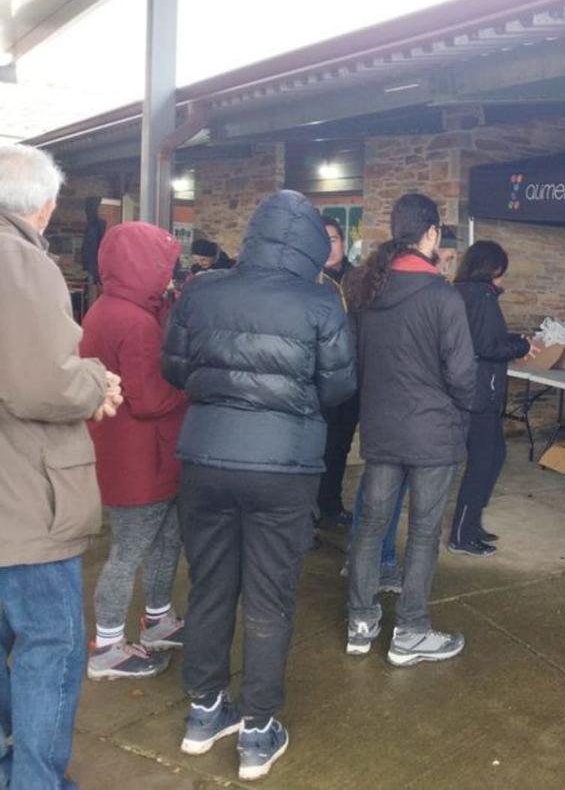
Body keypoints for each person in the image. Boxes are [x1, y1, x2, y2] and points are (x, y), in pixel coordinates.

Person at [163, 190, 356, 780]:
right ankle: (258, 730)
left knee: (211, 587)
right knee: (270, 599)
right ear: (311, 247)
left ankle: (204, 712)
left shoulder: (202, 291)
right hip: (283, 468)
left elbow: (173, 367)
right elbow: (339, 388)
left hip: (205, 459)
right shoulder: (322, 305)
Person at [0, 144, 122, 790]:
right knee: (50, 645)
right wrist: (97, 381)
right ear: (43, 204)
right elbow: (41, 382)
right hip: (23, 497)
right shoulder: (20, 259)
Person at [346, 193, 475, 667]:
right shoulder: (443, 296)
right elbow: (463, 376)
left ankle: (360, 621)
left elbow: (356, 362)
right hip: (432, 435)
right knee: (423, 532)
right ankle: (411, 631)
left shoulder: (367, 290)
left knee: (371, 525)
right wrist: (461, 414)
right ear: (432, 234)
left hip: (381, 430)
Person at [81, 223, 189, 681]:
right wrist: (192, 389)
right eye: (162, 266)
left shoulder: (107, 309)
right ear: (142, 266)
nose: (168, 275)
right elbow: (148, 398)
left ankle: (158, 619)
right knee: (130, 550)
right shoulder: (136, 322)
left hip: (129, 455)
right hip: (142, 459)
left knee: (165, 539)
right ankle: (107, 646)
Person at [448, 240, 535, 556]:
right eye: (502, 273)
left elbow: (481, 337)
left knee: (494, 455)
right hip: (479, 393)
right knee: (483, 462)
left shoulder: (460, 293)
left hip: (472, 390)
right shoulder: (482, 297)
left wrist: (512, 340)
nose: (504, 281)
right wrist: (521, 348)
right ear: (491, 269)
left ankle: (472, 523)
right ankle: (462, 533)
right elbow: (487, 346)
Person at [315, 215, 359, 527]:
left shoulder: (360, 278)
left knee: (341, 446)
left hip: (353, 377)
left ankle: (331, 505)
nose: (330, 247)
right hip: (320, 380)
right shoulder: (310, 281)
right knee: (319, 447)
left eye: (334, 239)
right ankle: (309, 515)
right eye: (322, 240)